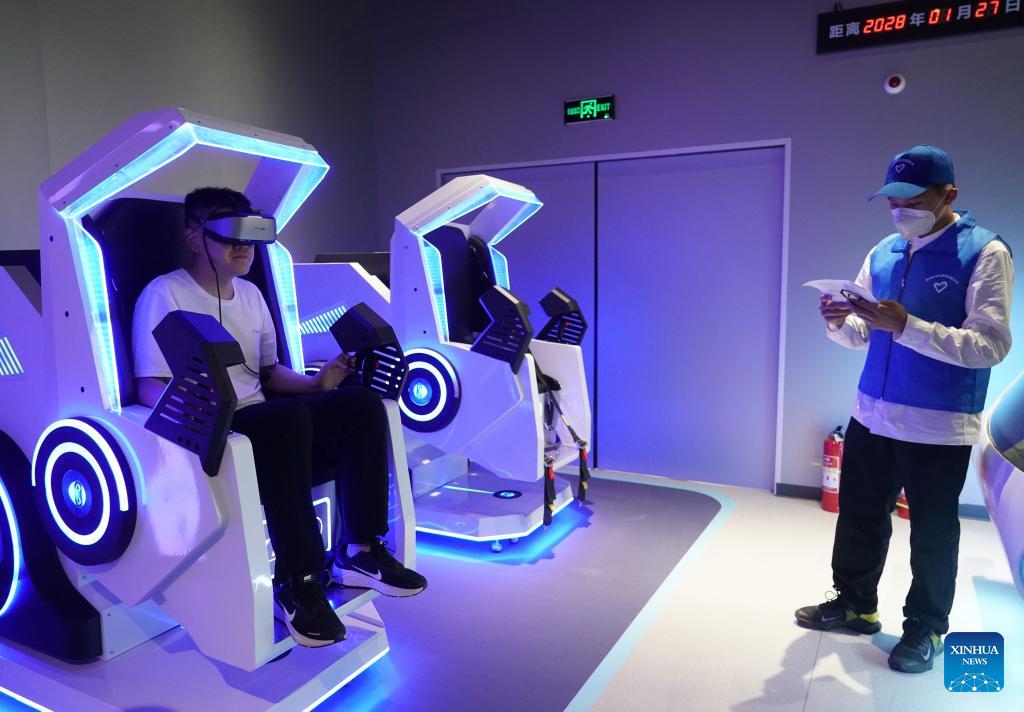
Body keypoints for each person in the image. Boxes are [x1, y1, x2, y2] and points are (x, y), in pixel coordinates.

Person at [132, 187, 426, 649]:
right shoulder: (164, 294)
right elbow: (149, 385)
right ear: (194, 238)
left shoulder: (250, 295)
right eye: (230, 235)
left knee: (361, 405)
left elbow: (268, 372)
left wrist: (316, 383)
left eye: (250, 236)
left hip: (270, 419)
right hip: (213, 428)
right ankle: (298, 580)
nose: (243, 246)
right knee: (287, 420)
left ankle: (361, 551)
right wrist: (207, 407)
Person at [795, 146, 1013, 673]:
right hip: (872, 415)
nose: (901, 210)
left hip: (938, 424)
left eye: (914, 200)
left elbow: (990, 345)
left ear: (948, 195)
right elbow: (860, 335)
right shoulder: (884, 252)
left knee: (933, 532)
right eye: (893, 200)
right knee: (860, 517)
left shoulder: (985, 252)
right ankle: (856, 605)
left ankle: (926, 628)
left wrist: (907, 326)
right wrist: (837, 320)